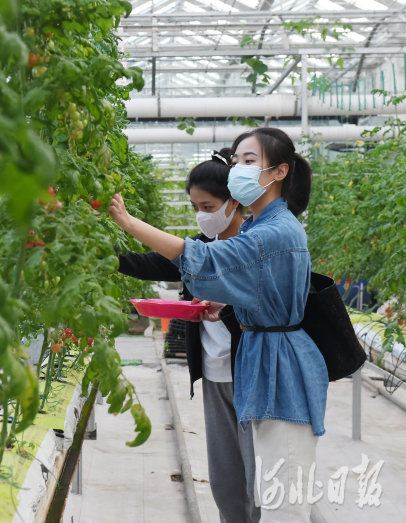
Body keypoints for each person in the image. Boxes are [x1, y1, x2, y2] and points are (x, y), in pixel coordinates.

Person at [109, 128, 328, 522]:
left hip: (279, 371)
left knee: (282, 501)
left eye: (249, 161)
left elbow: (204, 260)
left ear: (279, 172)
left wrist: (129, 222)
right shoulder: (259, 227)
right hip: (261, 365)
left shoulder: (274, 233)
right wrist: (226, 306)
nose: (238, 168)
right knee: (268, 488)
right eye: (236, 160)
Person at [117, 148, 259, 523]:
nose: (201, 214)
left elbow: (265, 303)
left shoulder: (255, 245)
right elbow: (151, 263)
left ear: (234, 202)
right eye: (195, 206)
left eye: (208, 206)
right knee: (226, 478)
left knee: (259, 478)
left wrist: (225, 306)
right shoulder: (202, 247)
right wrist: (104, 254)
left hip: (253, 374)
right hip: (215, 373)